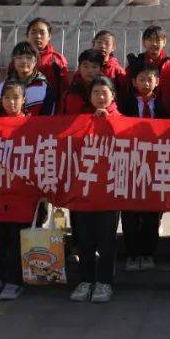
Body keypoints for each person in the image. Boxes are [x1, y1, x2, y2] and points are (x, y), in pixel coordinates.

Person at [0, 80, 39, 302]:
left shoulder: (34, 126)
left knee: (16, 239)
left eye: (16, 98)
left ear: (24, 100)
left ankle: (14, 280)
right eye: (7, 98)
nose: (11, 102)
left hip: (22, 194)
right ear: (0, 100)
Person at [69, 77, 121, 303]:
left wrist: (109, 123)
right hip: (84, 187)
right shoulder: (81, 120)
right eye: (96, 93)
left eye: (104, 93)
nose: (100, 97)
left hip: (109, 189)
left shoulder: (120, 120)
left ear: (113, 96)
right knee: (85, 238)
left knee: (107, 238)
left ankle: (104, 282)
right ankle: (85, 280)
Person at [117, 63, 165, 272]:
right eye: (141, 79)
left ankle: (148, 252)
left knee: (151, 210)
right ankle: (132, 252)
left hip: (154, 162)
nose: (146, 83)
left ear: (157, 82)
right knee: (129, 210)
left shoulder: (163, 106)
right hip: (129, 161)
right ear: (133, 82)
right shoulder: (123, 104)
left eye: (150, 79)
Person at [0, 42, 59, 116]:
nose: (24, 61)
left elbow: (47, 119)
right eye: (19, 57)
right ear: (14, 61)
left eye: (29, 57)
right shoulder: (2, 87)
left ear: (35, 61)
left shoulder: (44, 88)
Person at [128, 25, 170, 113]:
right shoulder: (135, 64)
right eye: (150, 40)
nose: (154, 43)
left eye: (158, 40)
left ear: (164, 42)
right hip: (135, 114)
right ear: (143, 42)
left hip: (165, 117)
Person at [25, 18, 70, 96]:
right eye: (33, 32)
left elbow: (64, 90)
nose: (38, 36)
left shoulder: (57, 60)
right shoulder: (18, 58)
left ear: (49, 36)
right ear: (27, 36)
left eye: (42, 33)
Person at [62, 49, 106, 115]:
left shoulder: (106, 86)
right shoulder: (74, 89)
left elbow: (113, 110)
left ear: (101, 69)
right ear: (79, 68)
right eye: (86, 66)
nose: (90, 70)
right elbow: (72, 116)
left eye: (94, 67)